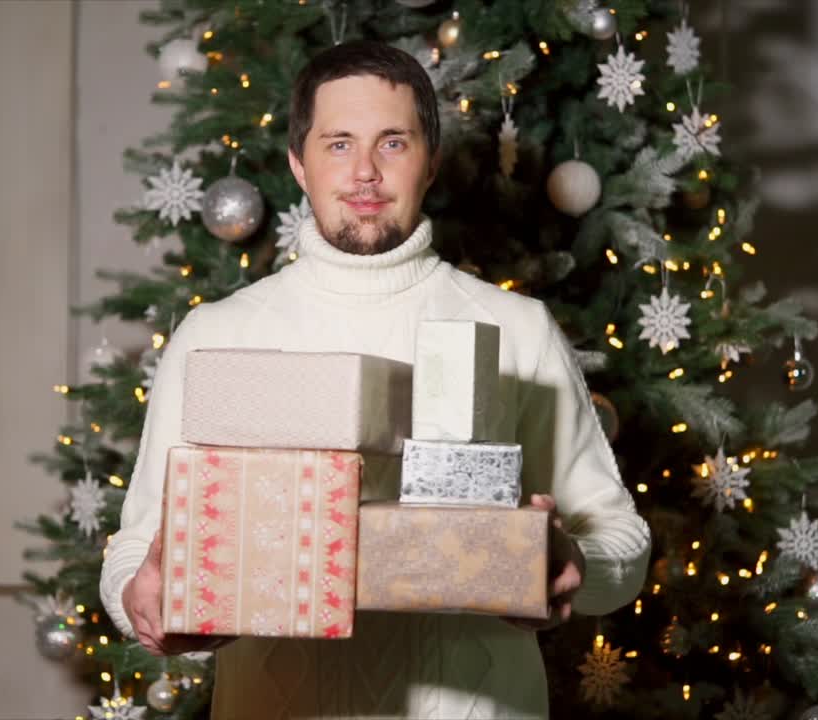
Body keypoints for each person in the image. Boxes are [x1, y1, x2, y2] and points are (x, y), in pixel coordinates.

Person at [100, 39, 650, 719]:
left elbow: (623, 542)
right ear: (299, 165)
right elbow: (133, 550)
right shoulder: (215, 335)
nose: (364, 172)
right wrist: (143, 601)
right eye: (337, 144)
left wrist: (574, 564)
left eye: (392, 143)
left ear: (432, 161)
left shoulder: (519, 331)